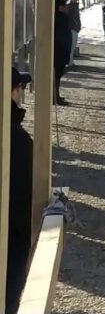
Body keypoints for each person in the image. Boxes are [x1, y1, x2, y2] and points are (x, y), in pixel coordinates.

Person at [5, 67, 33, 313]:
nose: (21, 92)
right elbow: (23, 201)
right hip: (10, 242)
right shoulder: (18, 140)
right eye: (20, 87)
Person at [53, 0, 72, 105]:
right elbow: (61, 38)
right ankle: (55, 97)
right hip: (59, 52)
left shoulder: (61, 18)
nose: (67, 8)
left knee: (57, 76)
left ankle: (56, 96)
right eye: (65, 6)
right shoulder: (60, 19)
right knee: (56, 76)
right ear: (60, 7)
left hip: (61, 52)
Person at [67, 0, 81, 67]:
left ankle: (70, 61)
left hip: (74, 27)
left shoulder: (74, 4)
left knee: (73, 45)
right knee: (71, 45)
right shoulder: (70, 4)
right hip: (71, 27)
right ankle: (69, 61)